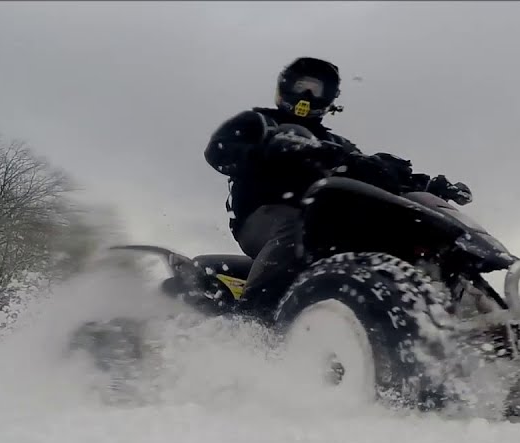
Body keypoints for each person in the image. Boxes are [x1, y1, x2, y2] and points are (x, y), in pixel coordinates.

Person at [201, 56, 472, 316]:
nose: (308, 94)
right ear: (286, 87)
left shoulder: (338, 146)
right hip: (267, 215)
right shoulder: (259, 122)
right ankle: (251, 320)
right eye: (302, 85)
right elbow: (219, 151)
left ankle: (429, 314)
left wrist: (429, 185)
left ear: (329, 98)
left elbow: (376, 175)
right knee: (297, 227)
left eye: (317, 89)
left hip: (327, 225)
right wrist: (271, 148)